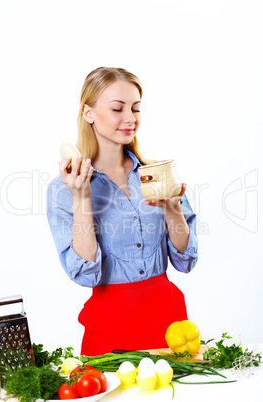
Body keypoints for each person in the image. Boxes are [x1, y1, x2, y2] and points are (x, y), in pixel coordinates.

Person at [46, 67, 198, 356]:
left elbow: (185, 260)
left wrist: (174, 211)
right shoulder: (64, 188)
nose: (130, 119)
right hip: (108, 334)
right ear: (88, 112)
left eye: (136, 108)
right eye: (118, 108)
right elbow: (85, 273)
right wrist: (81, 197)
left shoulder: (156, 174)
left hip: (170, 327)